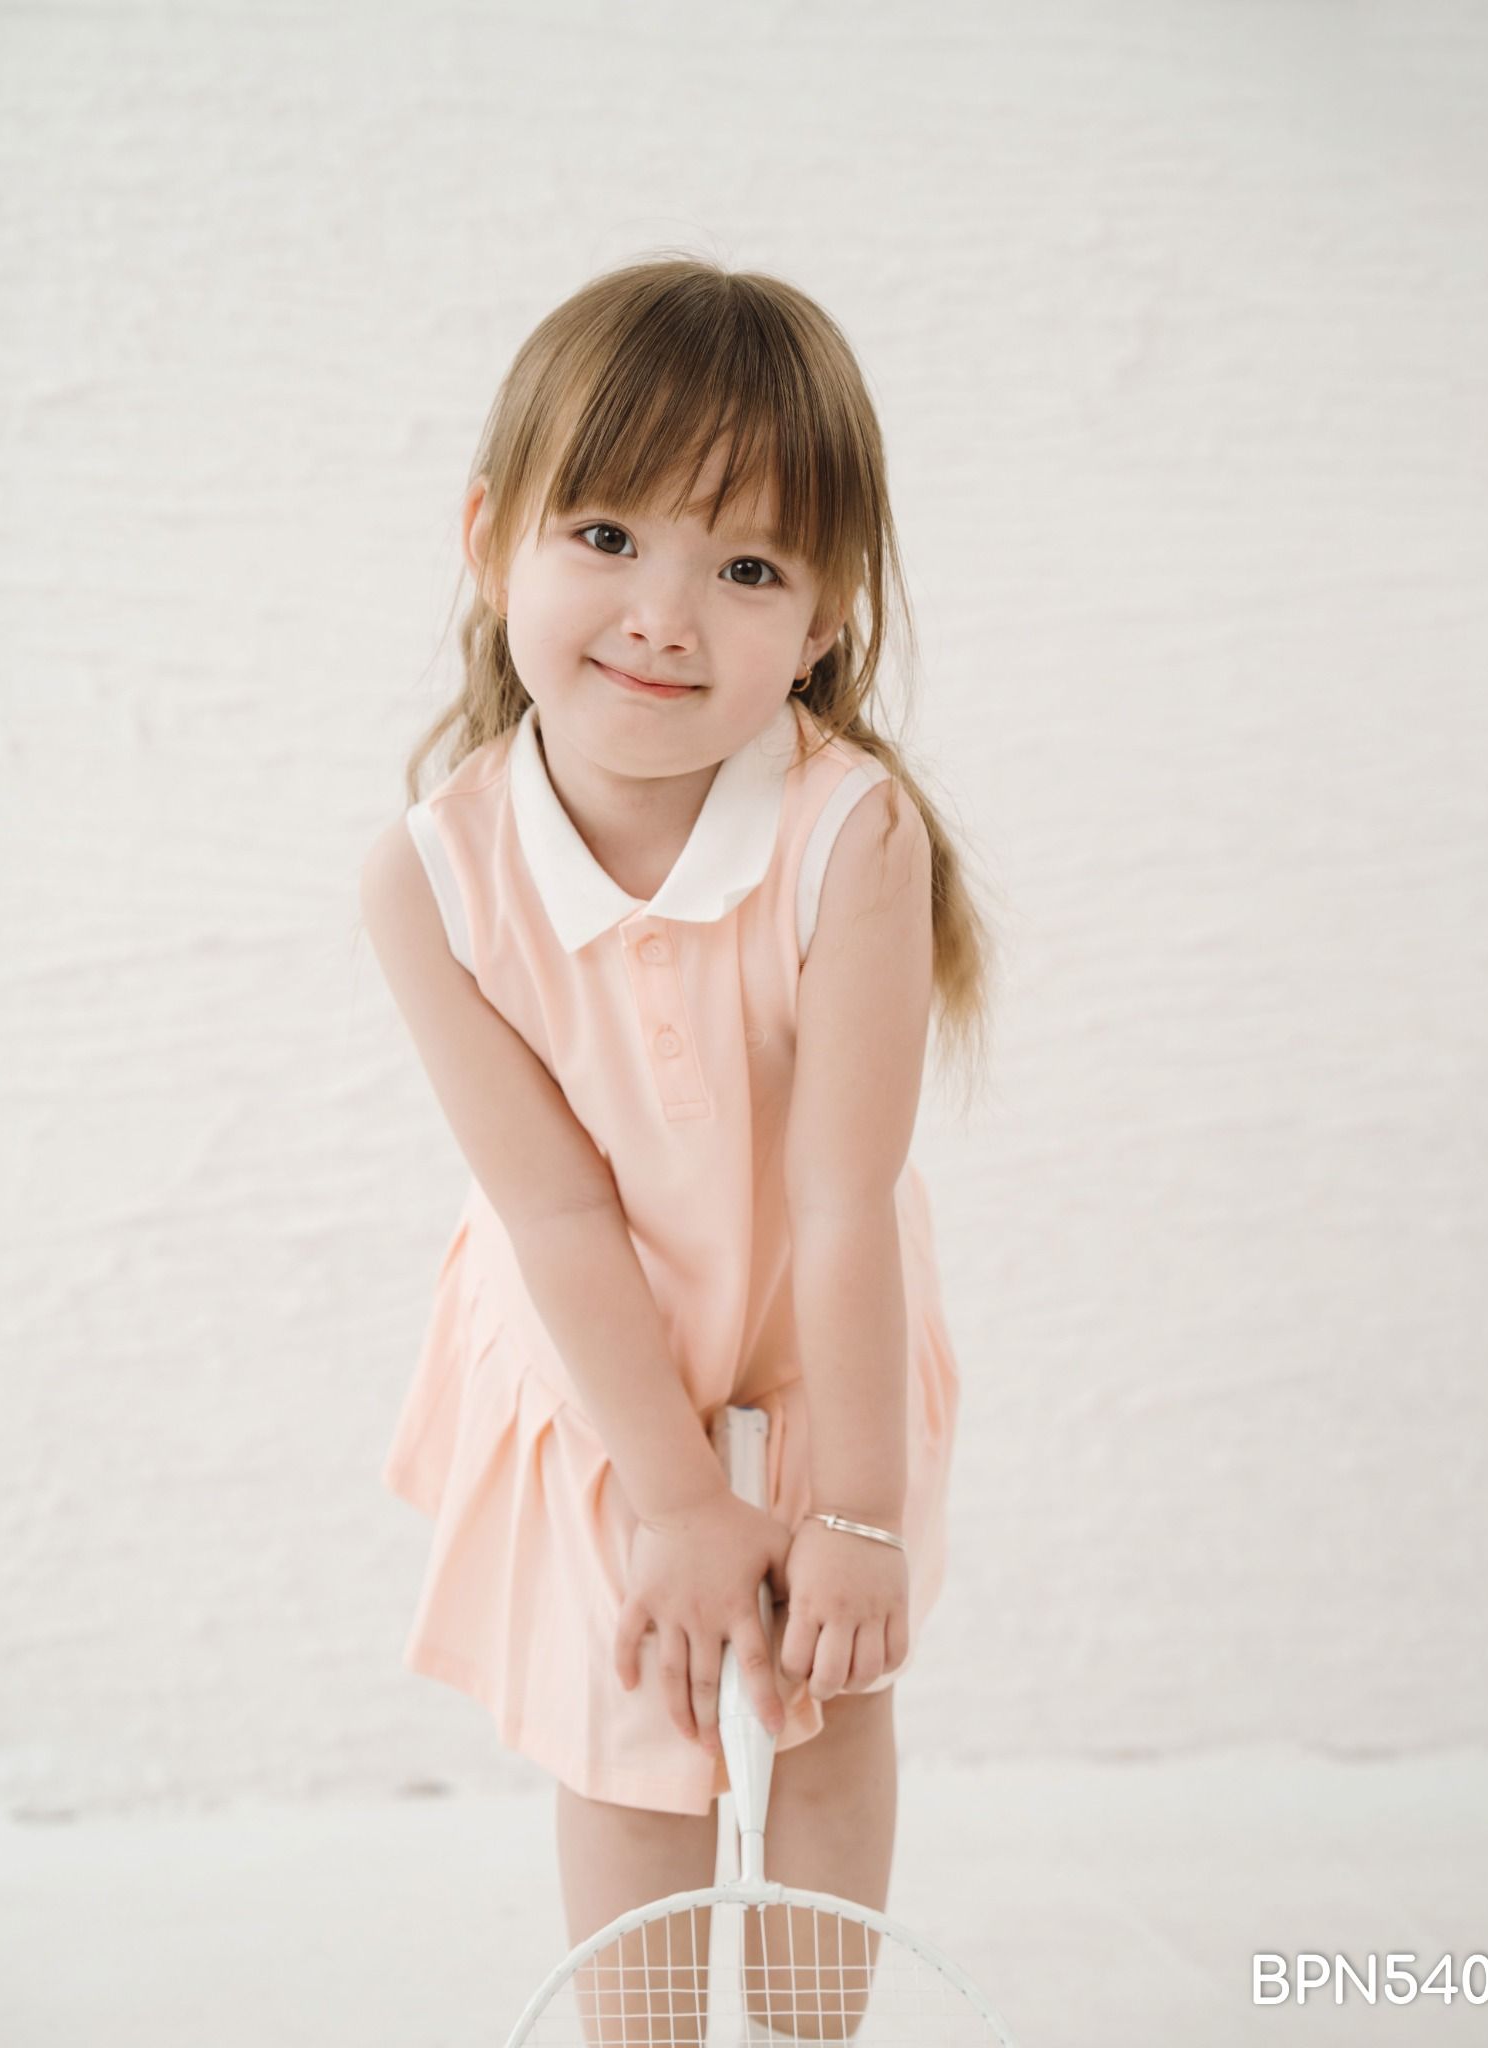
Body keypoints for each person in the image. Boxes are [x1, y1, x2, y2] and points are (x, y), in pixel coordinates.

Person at [358, 254, 992, 1986]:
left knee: (822, 1704)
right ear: (493, 537)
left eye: (748, 568)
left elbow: (844, 1199)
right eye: (607, 536)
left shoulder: (851, 838)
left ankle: (808, 2027)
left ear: (826, 620)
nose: (664, 615)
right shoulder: (432, 880)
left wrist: (852, 1515)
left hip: (819, 1340)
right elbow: (556, 1214)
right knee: (636, 1724)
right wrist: (677, 1501)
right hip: (596, 1367)